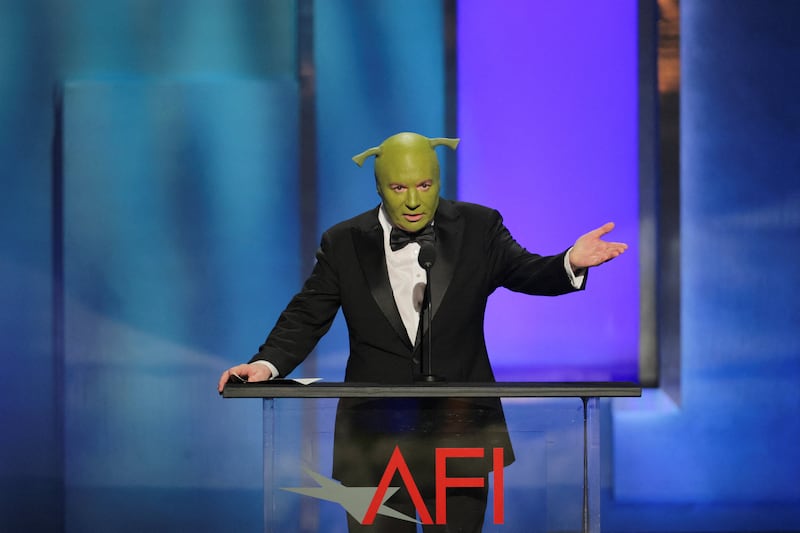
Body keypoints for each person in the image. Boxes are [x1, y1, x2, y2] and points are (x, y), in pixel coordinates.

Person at [217, 132, 627, 532]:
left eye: (424, 185)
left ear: (438, 182)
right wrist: (266, 364)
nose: (413, 200)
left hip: (460, 435)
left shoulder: (479, 227)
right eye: (399, 187)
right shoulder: (344, 242)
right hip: (373, 441)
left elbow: (527, 271)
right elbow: (308, 313)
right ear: (380, 188)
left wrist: (570, 261)